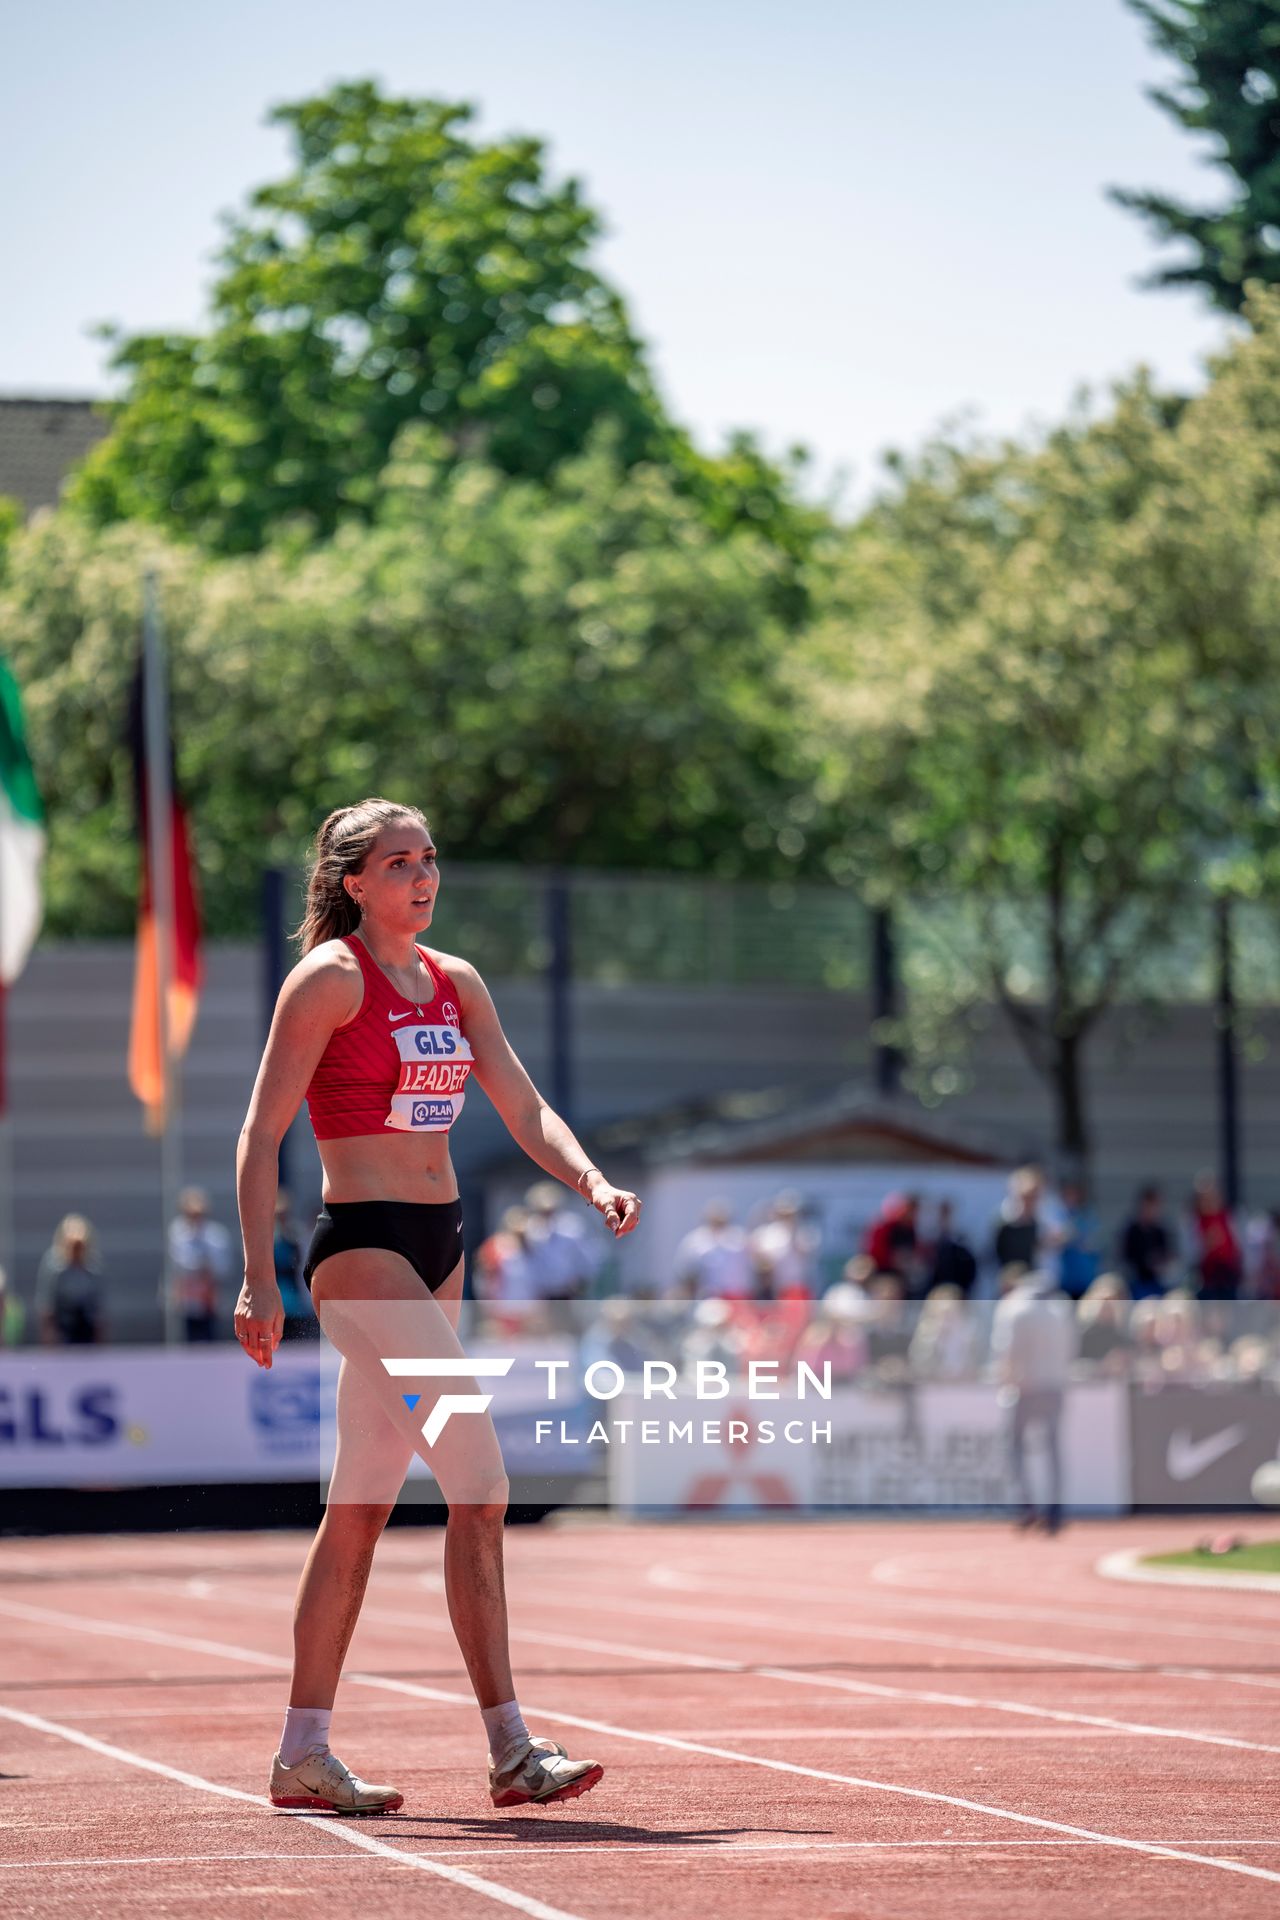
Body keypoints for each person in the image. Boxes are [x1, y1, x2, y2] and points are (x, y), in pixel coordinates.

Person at [234, 798, 640, 1815]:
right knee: (480, 1475)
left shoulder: (455, 982)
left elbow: (521, 1101)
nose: (422, 877)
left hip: (439, 1242)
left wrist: (588, 1181)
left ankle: (302, 1754)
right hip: (361, 1246)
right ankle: (509, 1746)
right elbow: (259, 1134)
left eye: (428, 859)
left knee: (360, 1506)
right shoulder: (328, 982)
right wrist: (257, 1274)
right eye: (398, 862)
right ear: (352, 882)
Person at [990, 1266, 1076, 1534]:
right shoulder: (1060, 1310)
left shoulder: (1014, 1308)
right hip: (1054, 1387)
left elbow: (1007, 1350)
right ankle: (1055, 1509)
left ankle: (1026, 1505)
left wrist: (1008, 1380)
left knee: (1015, 1448)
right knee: (1053, 1450)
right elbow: (1071, 1349)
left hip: (1025, 1388)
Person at [167, 1187, 233, 1341]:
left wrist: (208, 1271)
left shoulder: (216, 1235)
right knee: (190, 1338)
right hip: (188, 1297)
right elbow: (180, 1263)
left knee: (210, 1337)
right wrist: (199, 1268)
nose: (196, 1218)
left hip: (210, 1297)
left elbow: (223, 1266)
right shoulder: (178, 1233)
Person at [34, 1214, 106, 1345]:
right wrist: (48, 1336)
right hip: (63, 1326)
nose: (76, 1253)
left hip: (86, 1326)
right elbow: (47, 1306)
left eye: (80, 1247)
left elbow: (98, 1308)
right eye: (73, 1247)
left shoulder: (93, 1267)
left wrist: (99, 1337)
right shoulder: (53, 1268)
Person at [671, 1200, 752, 1299]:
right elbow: (685, 1271)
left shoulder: (739, 1237)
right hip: (707, 1296)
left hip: (738, 1296)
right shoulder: (694, 1240)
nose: (719, 1220)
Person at [1188, 1172, 1243, 1301]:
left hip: (1229, 1279)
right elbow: (1189, 1255)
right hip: (1204, 1281)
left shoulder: (1231, 1218)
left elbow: (1240, 1248)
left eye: (1212, 1197)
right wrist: (1205, 1245)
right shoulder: (1192, 1222)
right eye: (1204, 1198)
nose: (1208, 1202)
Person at [273, 1193, 316, 1341]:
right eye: (278, 1215)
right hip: (276, 1292)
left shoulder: (295, 1236)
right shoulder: (269, 1240)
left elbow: (301, 1264)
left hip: (295, 1296)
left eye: (284, 1214)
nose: (282, 1218)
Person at [1118, 1185, 1173, 1299]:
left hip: (1158, 1283)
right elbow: (1126, 1257)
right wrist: (1146, 1262)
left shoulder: (1160, 1231)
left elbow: (1166, 1255)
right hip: (1137, 1283)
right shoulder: (1132, 1231)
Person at [1056, 1180, 1101, 1301]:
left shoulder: (1088, 1217)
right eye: (1068, 1194)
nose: (1072, 1198)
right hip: (1065, 1279)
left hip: (1085, 1277)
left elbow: (1094, 1245)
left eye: (1074, 1194)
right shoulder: (1057, 1215)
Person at [925, 1200, 978, 1299]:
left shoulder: (961, 1240)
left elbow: (969, 1268)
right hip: (933, 1293)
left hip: (956, 1292)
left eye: (947, 1214)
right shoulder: (929, 1241)